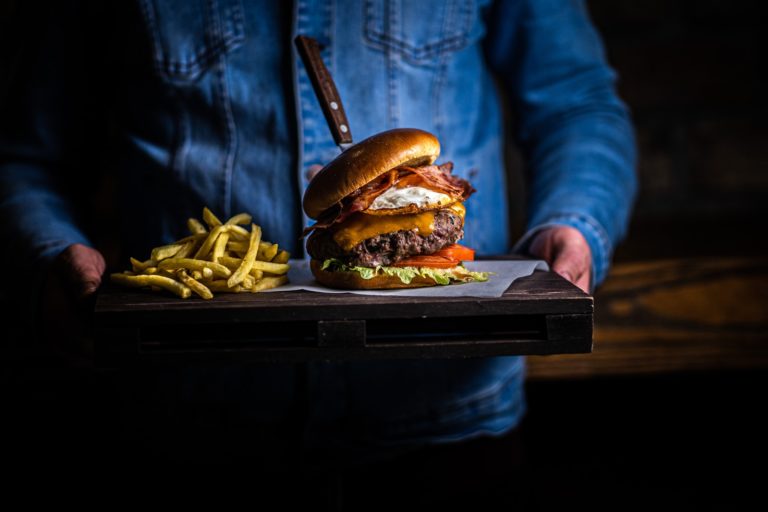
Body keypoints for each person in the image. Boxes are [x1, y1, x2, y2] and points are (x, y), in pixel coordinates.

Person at [0, 0, 635, 495]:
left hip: (449, 413)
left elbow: (577, 103)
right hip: (192, 412)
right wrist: (47, 252)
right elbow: (28, 153)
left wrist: (576, 222)